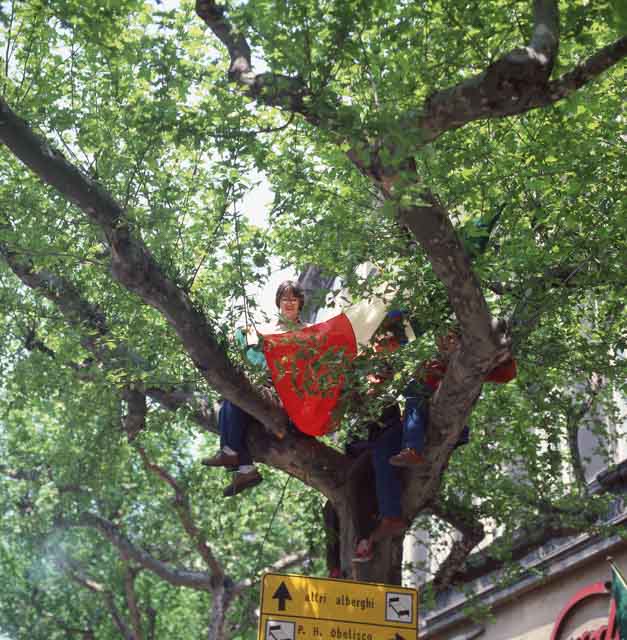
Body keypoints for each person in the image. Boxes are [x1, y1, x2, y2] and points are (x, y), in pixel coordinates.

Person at [353, 325, 517, 562]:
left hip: (438, 425)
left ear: (460, 341)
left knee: (415, 390)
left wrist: (504, 353)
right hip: (416, 423)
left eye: (450, 339)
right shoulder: (431, 364)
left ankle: (412, 448)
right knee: (383, 449)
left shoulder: (471, 362)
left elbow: (507, 374)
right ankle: (391, 516)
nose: (444, 343)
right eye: (442, 339)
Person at [201, 281, 306, 497]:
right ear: (278, 302)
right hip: (262, 389)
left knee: (236, 399)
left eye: (293, 299)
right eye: (284, 299)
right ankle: (244, 468)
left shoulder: (307, 331)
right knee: (230, 401)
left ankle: (232, 454)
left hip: (285, 397)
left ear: (300, 303)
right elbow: (244, 339)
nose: (289, 303)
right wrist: (236, 335)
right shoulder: (265, 330)